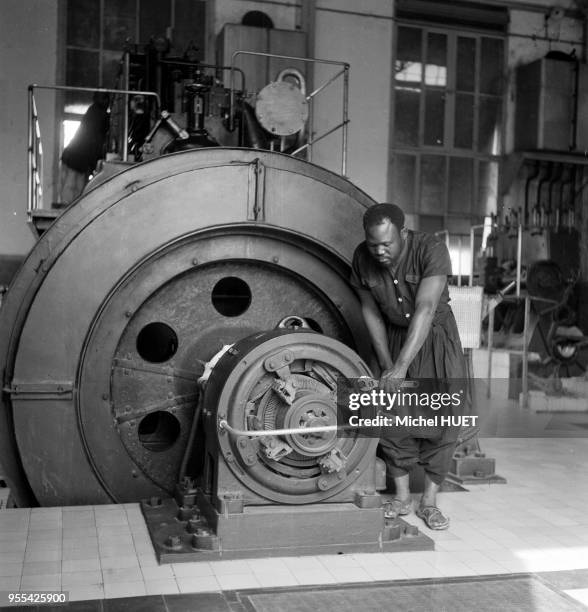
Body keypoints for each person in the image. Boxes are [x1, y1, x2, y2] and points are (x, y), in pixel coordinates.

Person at [350, 203, 467, 530]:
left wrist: (402, 367)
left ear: (402, 233)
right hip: (392, 336)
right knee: (387, 412)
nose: (380, 251)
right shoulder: (362, 258)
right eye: (374, 245)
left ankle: (429, 502)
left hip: (434, 338)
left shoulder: (431, 249)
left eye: (387, 244)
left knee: (445, 415)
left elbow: (426, 308)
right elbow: (370, 311)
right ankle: (402, 498)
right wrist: (388, 365)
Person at [59, 91, 110, 205]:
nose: (107, 102)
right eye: (105, 99)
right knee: (73, 188)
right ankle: (68, 209)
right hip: (78, 158)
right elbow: (95, 141)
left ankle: (67, 208)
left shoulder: (92, 112)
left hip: (72, 156)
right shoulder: (100, 115)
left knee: (70, 188)